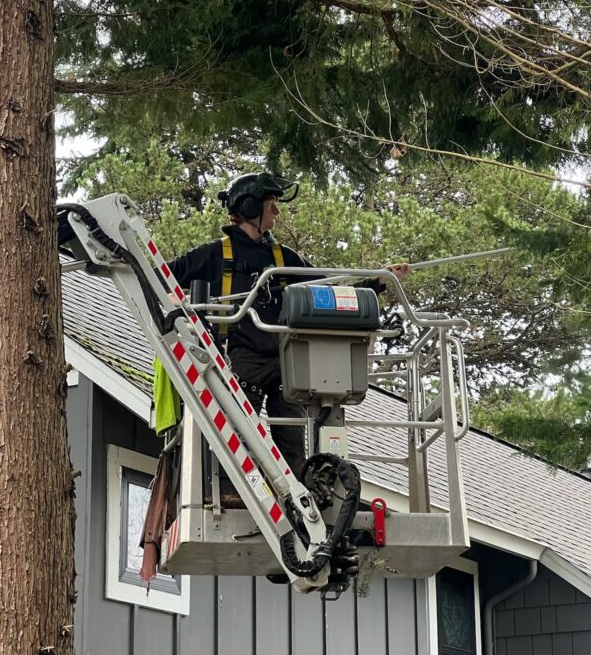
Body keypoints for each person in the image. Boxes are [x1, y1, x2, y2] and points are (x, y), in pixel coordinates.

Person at [168, 171, 411, 495]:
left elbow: (332, 293)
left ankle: (297, 495)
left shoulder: (284, 260)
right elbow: (162, 274)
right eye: (272, 206)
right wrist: (179, 304)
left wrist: (377, 281)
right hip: (239, 360)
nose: (277, 213)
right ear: (251, 206)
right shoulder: (214, 255)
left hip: (284, 361)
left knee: (293, 440)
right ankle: (231, 493)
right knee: (239, 437)